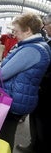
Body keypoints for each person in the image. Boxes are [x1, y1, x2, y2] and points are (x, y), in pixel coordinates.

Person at [0, 12, 51, 151]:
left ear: (28, 30)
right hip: (18, 97)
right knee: (4, 133)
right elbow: (13, 68)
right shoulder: (36, 45)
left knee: (4, 136)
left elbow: (3, 74)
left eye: (16, 31)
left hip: (13, 101)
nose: (14, 34)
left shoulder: (31, 49)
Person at [16, 13, 51, 153]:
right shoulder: (47, 42)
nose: (44, 28)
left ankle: (40, 147)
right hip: (41, 88)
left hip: (47, 89)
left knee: (44, 123)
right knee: (36, 119)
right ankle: (34, 145)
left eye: (46, 25)